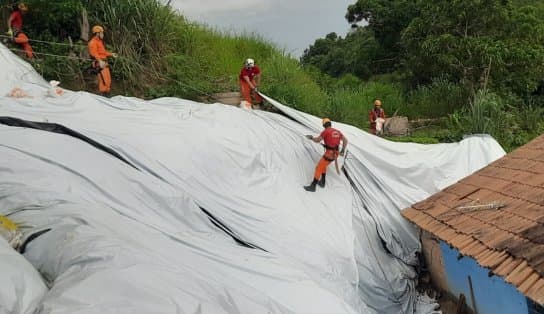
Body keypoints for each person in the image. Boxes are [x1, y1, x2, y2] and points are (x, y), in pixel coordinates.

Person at [303, 118, 348, 192]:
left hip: (329, 154)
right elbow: (345, 140)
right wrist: (343, 150)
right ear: (330, 124)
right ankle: (323, 182)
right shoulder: (337, 131)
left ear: (324, 125)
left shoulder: (325, 131)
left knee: (318, 168)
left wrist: (311, 138)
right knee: (323, 165)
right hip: (335, 154)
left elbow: (317, 140)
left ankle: (313, 186)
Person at [87, 25, 117, 96]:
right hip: (99, 63)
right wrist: (100, 61)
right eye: (102, 33)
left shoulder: (99, 42)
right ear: (97, 33)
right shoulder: (92, 42)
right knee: (104, 81)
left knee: (108, 81)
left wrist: (111, 54)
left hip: (104, 63)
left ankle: (107, 96)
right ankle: (103, 97)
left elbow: (103, 52)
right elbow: (94, 54)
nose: (103, 35)